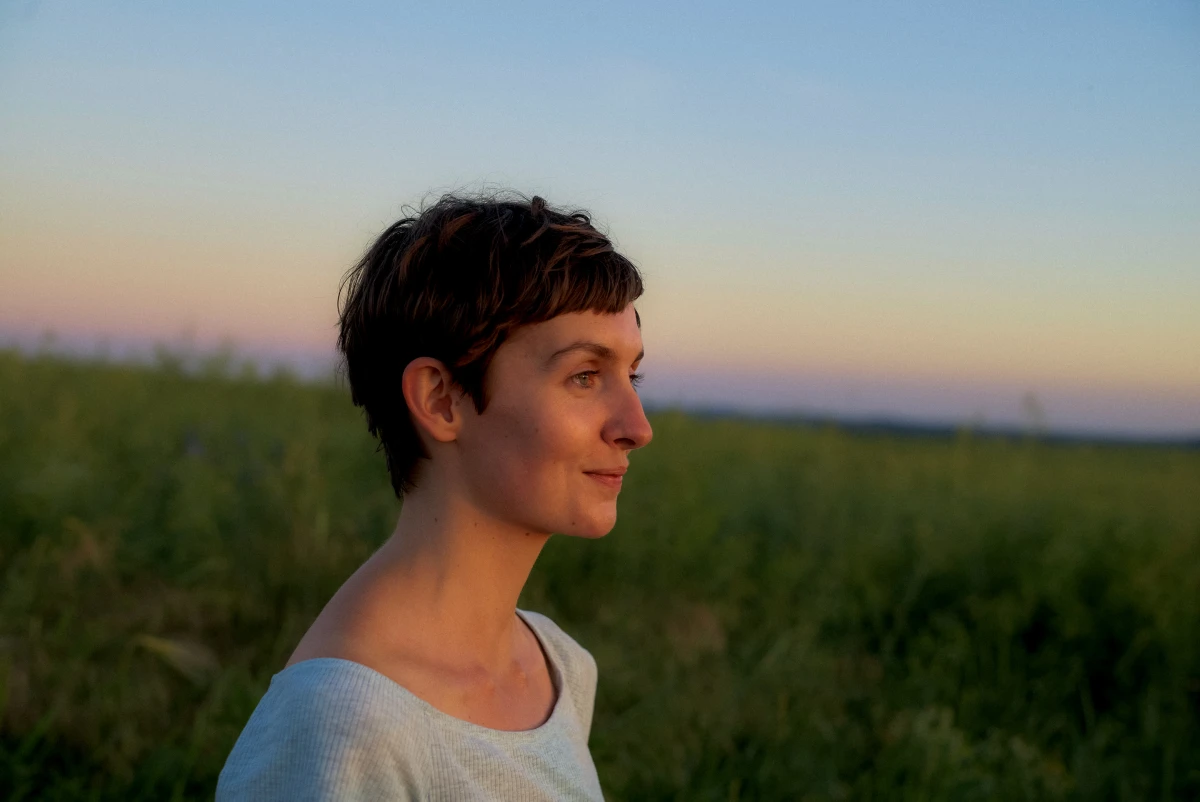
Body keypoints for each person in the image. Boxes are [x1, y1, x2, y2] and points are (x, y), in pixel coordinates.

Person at [216, 192, 653, 801]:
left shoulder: (559, 668)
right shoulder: (339, 728)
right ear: (440, 400)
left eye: (632, 376)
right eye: (584, 376)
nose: (637, 426)